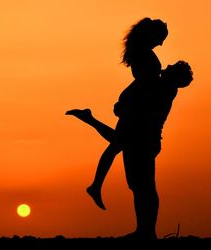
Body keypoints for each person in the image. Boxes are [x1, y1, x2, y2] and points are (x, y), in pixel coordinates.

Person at [66, 17, 168, 211]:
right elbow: (144, 82)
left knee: (116, 143)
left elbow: (144, 81)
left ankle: (95, 185)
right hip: (134, 104)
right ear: (151, 35)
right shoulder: (144, 54)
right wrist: (127, 100)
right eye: (161, 38)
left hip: (134, 101)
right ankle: (95, 185)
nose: (162, 43)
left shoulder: (142, 53)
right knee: (117, 143)